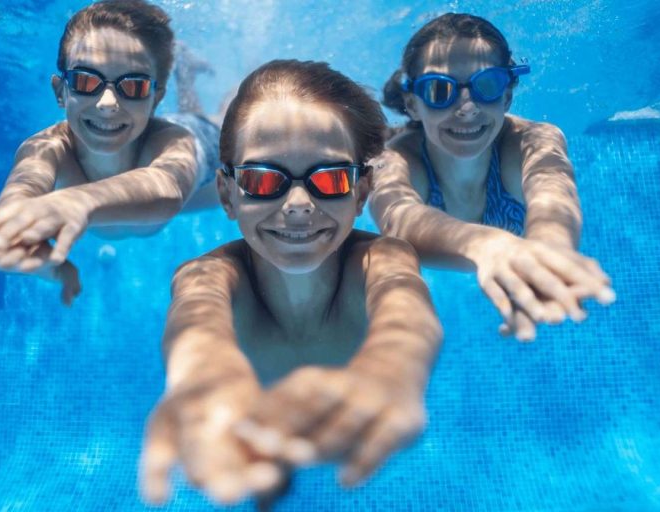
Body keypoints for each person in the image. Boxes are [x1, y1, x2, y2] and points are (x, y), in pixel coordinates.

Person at [139, 60, 443, 506]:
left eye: (332, 178)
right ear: (227, 196)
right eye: (263, 181)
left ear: (362, 193)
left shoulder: (380, 257)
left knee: (228, 129)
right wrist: (200, 374)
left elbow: (405, 304)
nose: (299, 205)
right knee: (209, 129)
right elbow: (196, 316)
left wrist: (393, 369)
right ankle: (191, 82)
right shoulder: (209, 275)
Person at [371, 13, 615, 340]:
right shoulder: (397, 158)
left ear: (507, 96)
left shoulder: (533, 141)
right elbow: (397, 219)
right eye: (439, 90)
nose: (467, 107)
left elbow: (554, 196)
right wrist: (486, 245)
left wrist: (549, 252)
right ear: (413, 105)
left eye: (487, 85)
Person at [0, 0, 221, 304]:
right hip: (141, 204)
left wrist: (79, 200)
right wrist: (33, 249)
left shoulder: (172, 143)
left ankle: (186, 72)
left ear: (155, 98)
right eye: (86, 80)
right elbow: (18, 202)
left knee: (231, 120)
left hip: (206, 160)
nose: (107, 103)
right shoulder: (46, 149)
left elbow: (167, 189)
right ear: (61, 91)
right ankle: (185, 70)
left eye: (134, 86)